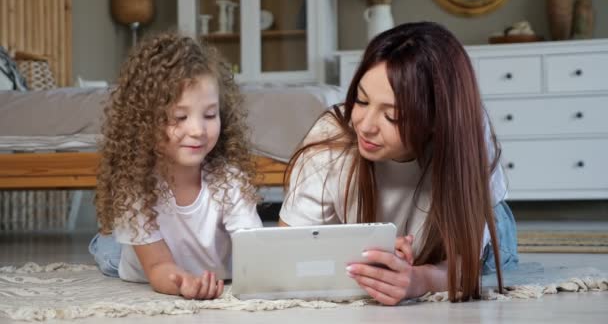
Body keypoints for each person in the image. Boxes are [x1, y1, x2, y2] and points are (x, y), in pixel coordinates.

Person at [279, 22, 518, 304]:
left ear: (435, 121)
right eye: (361, 100)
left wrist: (420, 279)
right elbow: (287, 251)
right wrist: (363, 250)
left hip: (480, 238)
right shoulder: (330, 142)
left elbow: (465, 265)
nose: (365, 127)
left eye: (393, 116)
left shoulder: (468, 140)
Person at [89, 32, 262, 300]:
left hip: (202, 262)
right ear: (144, 122)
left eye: (209, 115)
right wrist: (184, 283)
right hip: (145, 265)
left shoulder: (229, 180)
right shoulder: (135, 186)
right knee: (109, 252)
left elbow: (253, 247)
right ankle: (104, 238)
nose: (197, 130)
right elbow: (157, 266)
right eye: (179, 117)